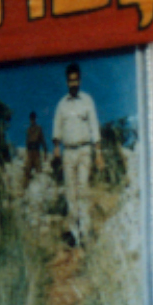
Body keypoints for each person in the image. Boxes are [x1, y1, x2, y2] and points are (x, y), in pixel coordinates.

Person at [51, 63, 103, 248]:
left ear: (79, 80)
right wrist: (56, 148)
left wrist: (98, 153)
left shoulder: (87, 101)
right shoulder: (61, 104)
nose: (73, 84)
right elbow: (57, 127)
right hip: (68, 152)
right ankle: (74, 233)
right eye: (70, 81)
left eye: (76, 80)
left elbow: (94, 126)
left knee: (83, 189)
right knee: (70, 192)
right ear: (67, 82)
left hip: (84, 151)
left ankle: (85, 232)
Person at [24, 112, 45, 181]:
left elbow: (42, 140)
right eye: (31, 119)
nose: (32, 120)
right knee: (27, 171)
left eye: (33, 118)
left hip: (36, 152)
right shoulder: (28, 130)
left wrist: (45, 150)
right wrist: (27, 152)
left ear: (35, 119)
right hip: (30, 152)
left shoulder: (38, 129)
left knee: (39, 171)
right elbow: (27, 142)